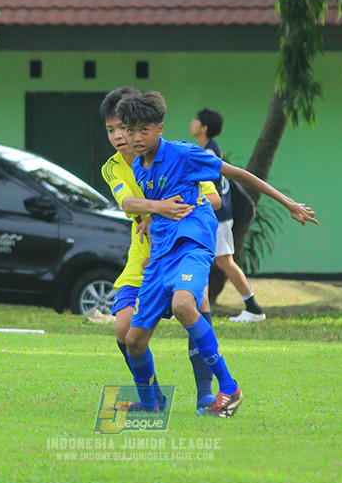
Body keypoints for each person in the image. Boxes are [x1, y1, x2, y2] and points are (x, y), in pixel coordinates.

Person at [116, 90, 318, 418]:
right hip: (160, 254)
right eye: (130, 129)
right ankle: (150, 403)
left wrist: (288, 203)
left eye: (144, 129)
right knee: (133, 340)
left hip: (193, 244)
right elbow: (163, 200)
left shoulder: (184, 154)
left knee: (184, 304)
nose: (136, 137)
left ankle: (228, 385)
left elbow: (237, 173)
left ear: (160, 129)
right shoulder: (139, 168)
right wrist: (152, 218)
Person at [99, 87, 222, 413]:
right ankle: (153, 399)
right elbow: (127, 202)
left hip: (179, 246)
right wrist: (156, 210)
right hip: (143, 256)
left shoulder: (175, 154)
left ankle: (206, 394)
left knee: (198, 298)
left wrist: (166, 213)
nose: (119, 136)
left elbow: (214, 198)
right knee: (123, 328)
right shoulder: (113, 167)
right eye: (111, 129)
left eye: (122, 128)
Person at [190, 108, 265, 323]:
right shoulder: (208, 149)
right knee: (221, 262)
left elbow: (210, 189)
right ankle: (251, 307)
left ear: (204, 128)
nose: (192, 122)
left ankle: (253, 308)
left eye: (196, 120)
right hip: (217, 216)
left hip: (218, 216)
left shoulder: (209, 153)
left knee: (222, 262)